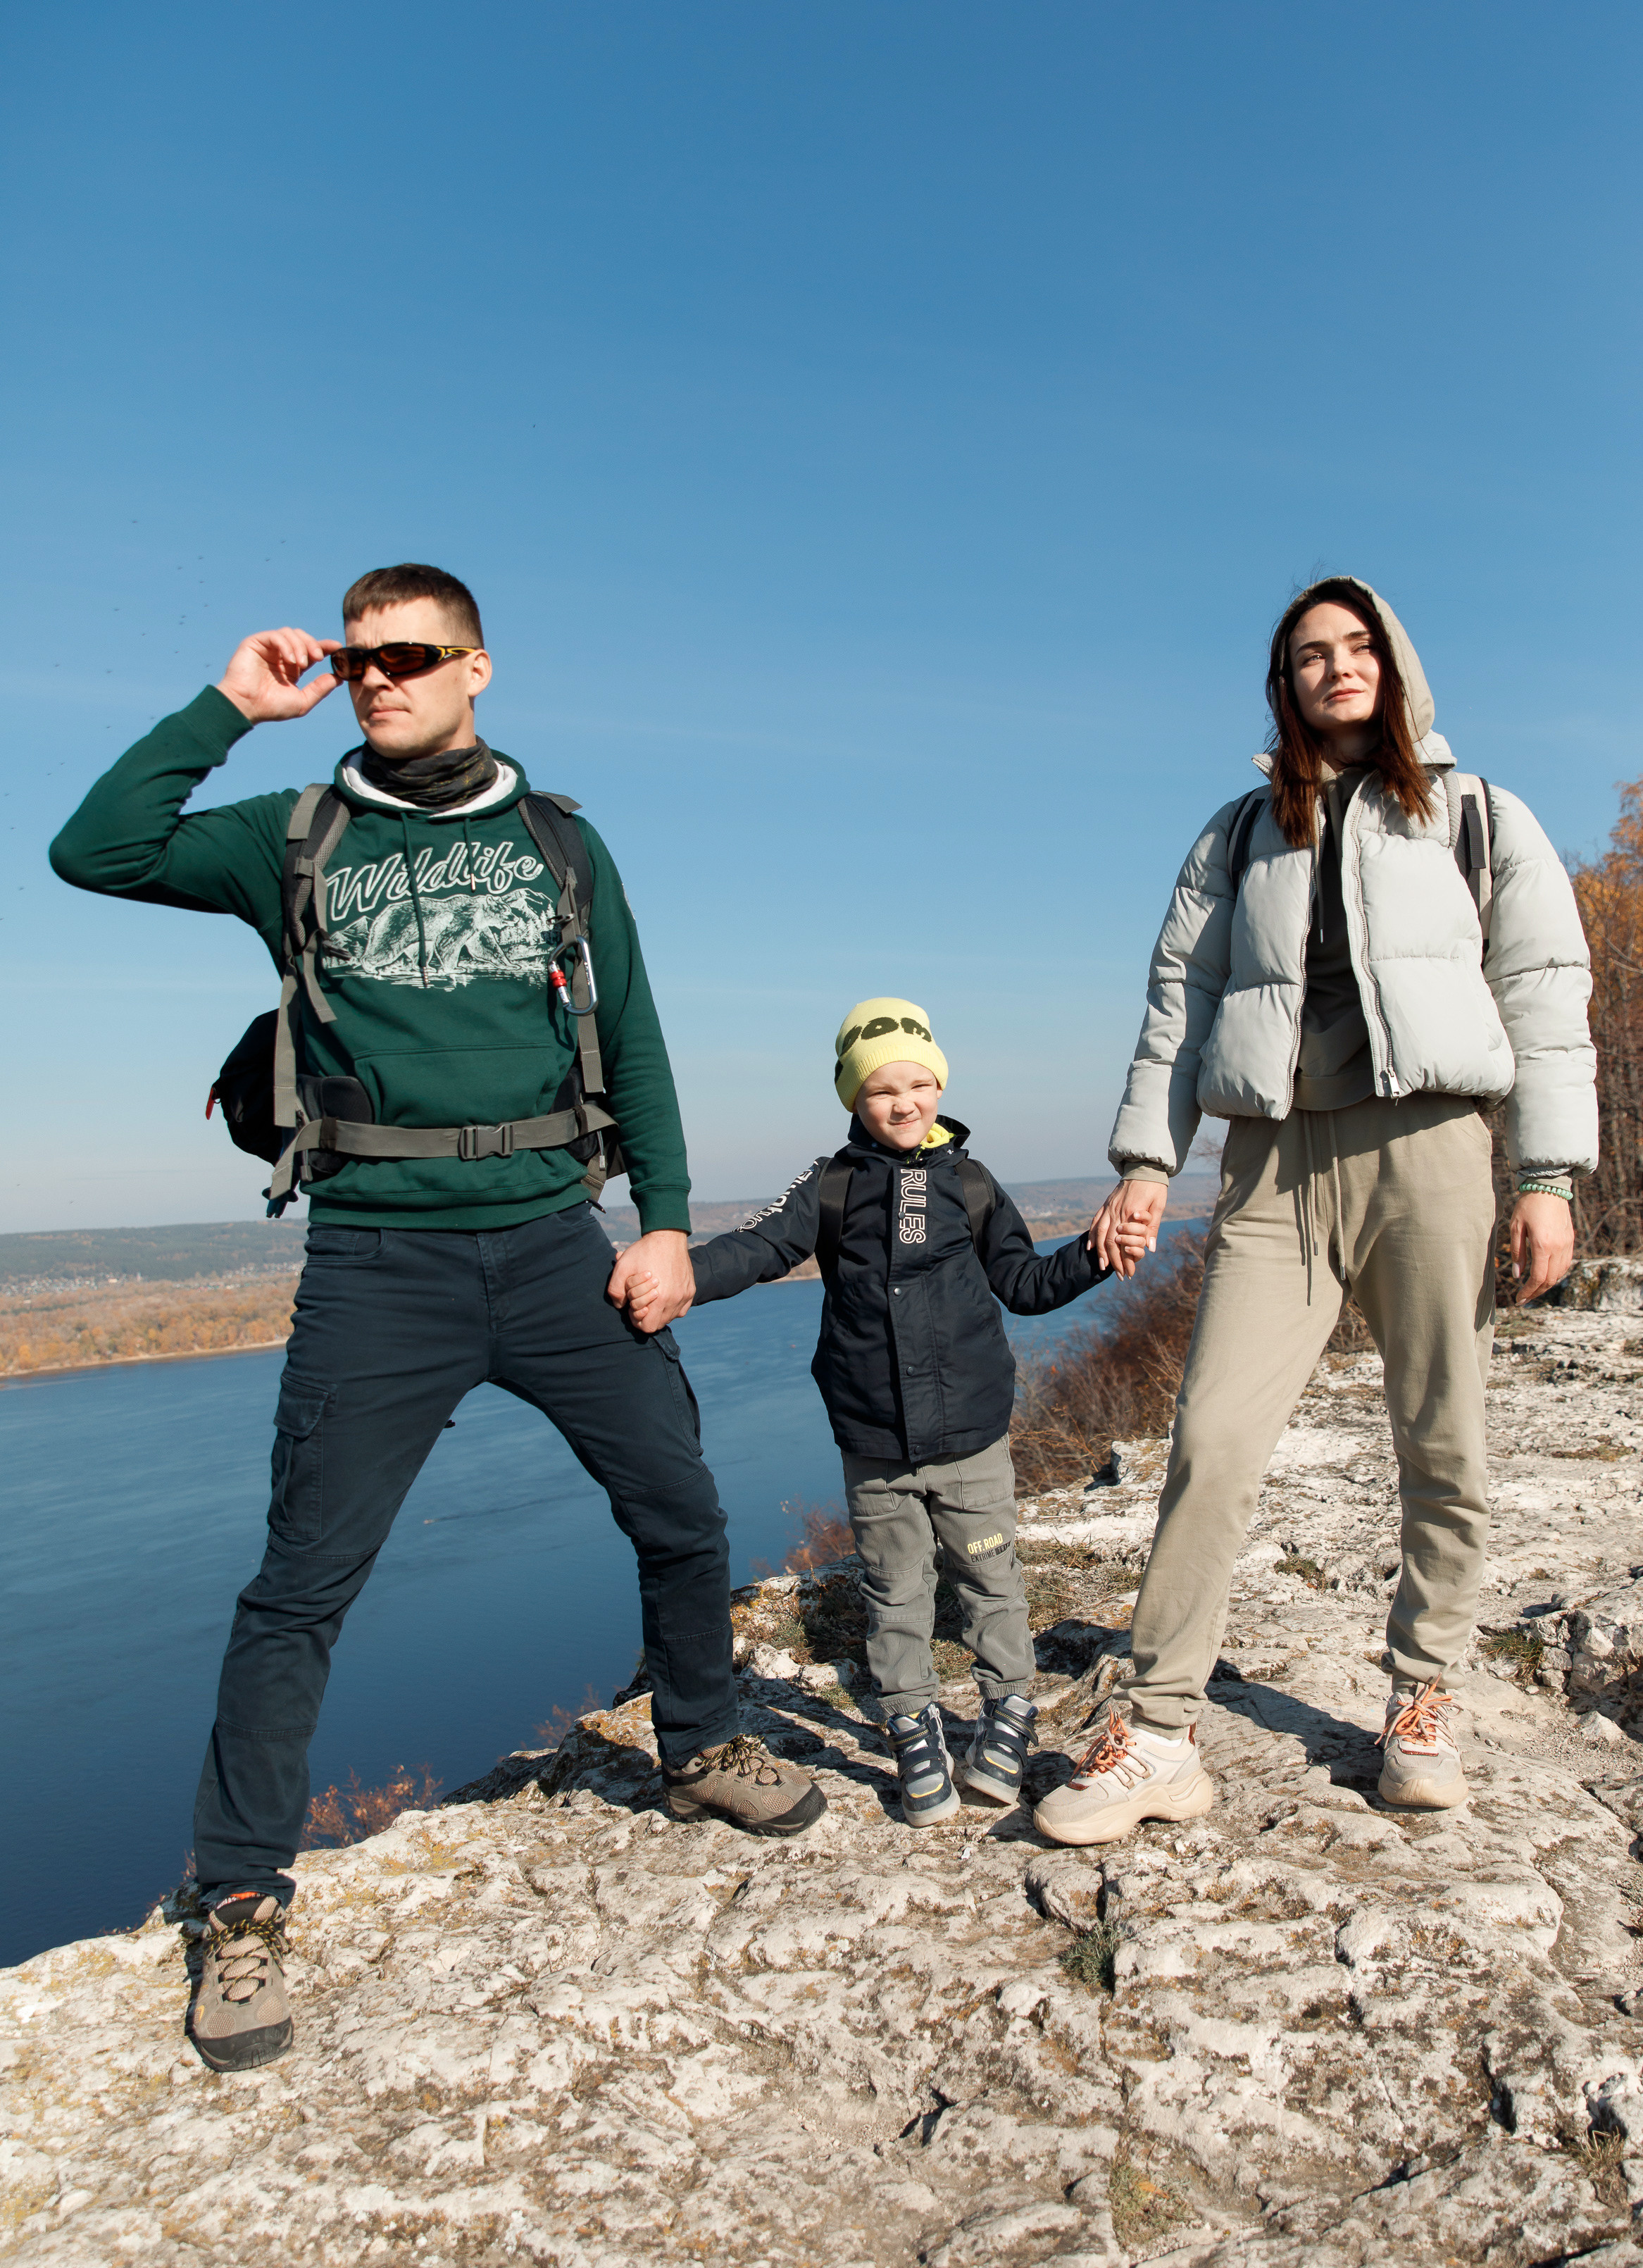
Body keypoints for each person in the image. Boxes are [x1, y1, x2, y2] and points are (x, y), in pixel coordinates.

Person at [50, 562, 823, 2074]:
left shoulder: (559, 842)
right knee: (301, 1584)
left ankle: (701, 1738)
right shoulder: (295, 831)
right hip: (375, 1261)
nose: (379, 678)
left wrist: (664, 1219)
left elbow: (637, 1040)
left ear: (480, 668)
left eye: (410, 654)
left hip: (550, 1244)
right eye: (356, 661)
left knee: (677, 1505)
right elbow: (95, 847)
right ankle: (243, 1897)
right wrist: (230, 704)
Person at [1034, 576, 1597, 1847]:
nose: (1333, 669)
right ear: (1280, 686)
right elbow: (1176, 1001)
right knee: (1212, 1441)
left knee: (1438, 1442)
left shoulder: (1475, 817)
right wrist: (1143, 1159)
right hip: (1271, 1164)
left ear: (1393, 665)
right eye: (1305, 656)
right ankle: (1163, 1731)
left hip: (1430, 1151)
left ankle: (1419, 1701)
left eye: (1354, 648)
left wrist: (1547, 1180)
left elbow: (1544, 996)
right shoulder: (1238, 833)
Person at [627, 999, 1130, 1824]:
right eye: (881, 1089)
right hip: (874, 1440)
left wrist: (1094, 1253)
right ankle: (909, 1720)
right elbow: (756, 1247)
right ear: (852, 1098)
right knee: (894, 1590)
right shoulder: (830, 1184)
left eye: (919, 1083)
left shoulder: (970, 1182)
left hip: (970, 1435)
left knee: (991, 1580)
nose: (903, 1102)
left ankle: (1007, 1709)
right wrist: (680, 1277)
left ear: (939, 1085)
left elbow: (1026, 1284)